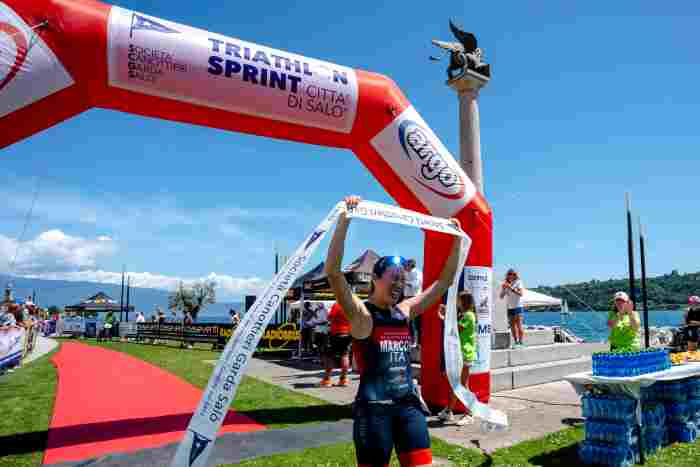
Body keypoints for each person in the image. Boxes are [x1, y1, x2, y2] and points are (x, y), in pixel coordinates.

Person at [325, 195, 462, 467]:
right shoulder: (362, 314)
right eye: (393, 278)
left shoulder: (404, 311)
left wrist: (457, 239)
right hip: (374, 412)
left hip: (409, 408)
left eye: (402, 279)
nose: (399, 284)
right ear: (375, 279)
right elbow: (333, 272)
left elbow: (444, 282)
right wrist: (345, 220)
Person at [436, 291, 477, 425]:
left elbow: (455, 330)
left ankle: (469, 414)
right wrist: (446, 314)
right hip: (460, 353)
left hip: (465, 354)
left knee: (462, 385)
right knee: (455, 384)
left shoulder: (468, 315)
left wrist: (443, 317)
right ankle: (449, 411)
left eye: (458, 300)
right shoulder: (465, 315)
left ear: (463, 301)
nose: (457, 303)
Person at [320, 302, 352, 387]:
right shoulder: (351, 305)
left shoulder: (338, 304)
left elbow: (329, 317)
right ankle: (343, 380)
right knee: (345, 355)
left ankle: (327, 380)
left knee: (329, 356)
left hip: (336, 333)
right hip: (348, 334)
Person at [500, 269, 525, 348]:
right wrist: (504, 289)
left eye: (512, 274)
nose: (510, 275)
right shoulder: (506, 283)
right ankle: (516, 342)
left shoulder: (518, 282)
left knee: (519, 325)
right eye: (509, 274)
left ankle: (521, 342)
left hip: (518, 306)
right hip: (510, 307)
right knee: (512, 326)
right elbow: (501, 296)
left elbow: (521, 294)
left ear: (515, 275)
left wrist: (511, 288)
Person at [404, 259, 423, 346]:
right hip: (407, 299)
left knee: (417, 322)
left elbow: (415, 285)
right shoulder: (406, 273)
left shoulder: (417, 273)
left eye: (406, 265)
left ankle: (419, 342)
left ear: (411, 265)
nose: (405, 266)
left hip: (415, 298)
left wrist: (405, 282)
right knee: (409, 321)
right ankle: (412, 341)